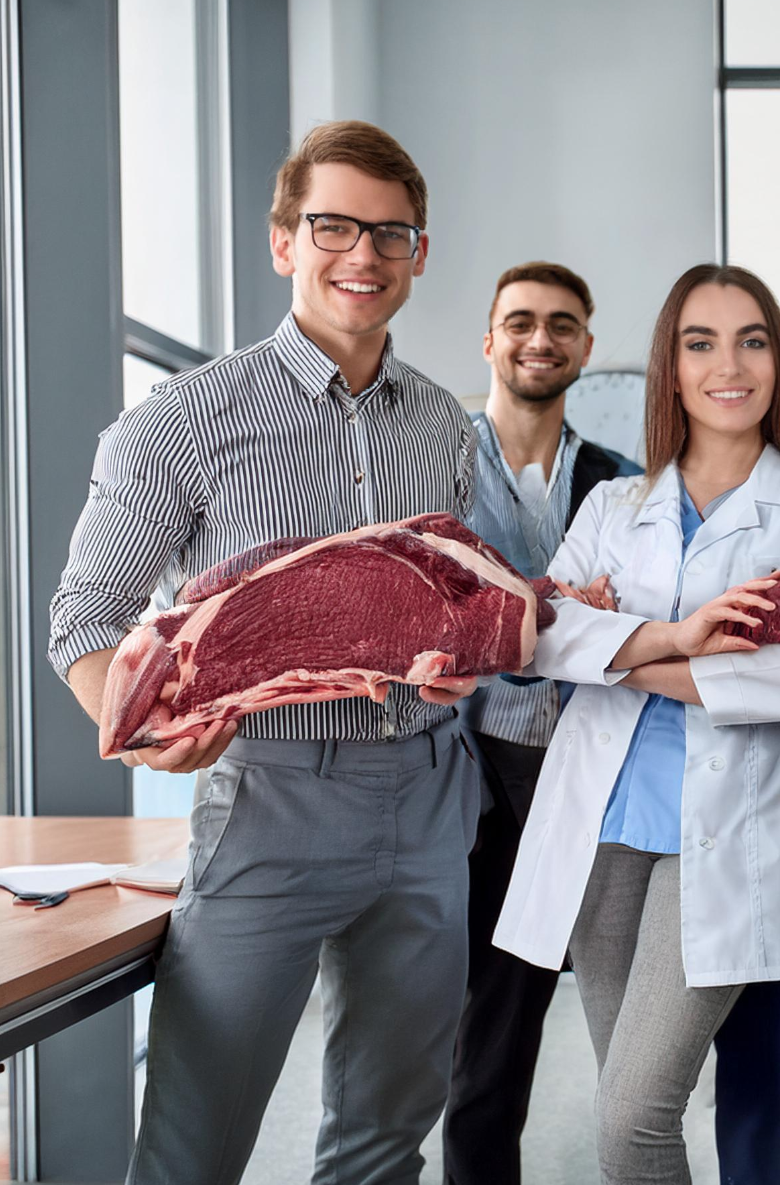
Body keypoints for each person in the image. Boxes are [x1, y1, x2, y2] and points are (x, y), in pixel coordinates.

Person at [48, 120, 481, 1184]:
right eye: (333, 226)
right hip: (270, 799)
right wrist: (142, 729)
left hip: (429, 793)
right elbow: (85, 619)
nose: (363, 256)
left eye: (391, 234)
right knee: (197, 1152)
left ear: (420, 255)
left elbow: (448, 606)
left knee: (386, 1142)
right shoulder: (181, 421)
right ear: (283, 242)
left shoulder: (440, 425)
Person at [492, 263, 780, 1184]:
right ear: (671, 365)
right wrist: (682, 641)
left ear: (778, 362)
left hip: (722, 840)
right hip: (601, 830)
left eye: (751, 340)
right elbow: (540, 638)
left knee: (628, 1117)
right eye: (700, 342)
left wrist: (628, 655)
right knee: (636, 1101)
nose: (726, 364)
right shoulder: (614, 504)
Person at [445, 263, 638, 1185]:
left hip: (596, 779)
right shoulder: (435, 468)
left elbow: (643, 628)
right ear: (489, 339)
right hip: (477, 781)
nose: (540, 339)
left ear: (585, 350)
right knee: (491, 1045)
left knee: (636, 1045)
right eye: (519, 321)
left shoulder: (624, 487)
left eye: (562, 325)